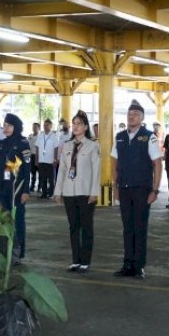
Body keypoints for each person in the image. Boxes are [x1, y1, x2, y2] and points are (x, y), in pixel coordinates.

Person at [112, 99, 163, 279]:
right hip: (124, 188)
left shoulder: (149, 137)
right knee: (127, 228)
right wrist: (114, 186)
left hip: (142, 189)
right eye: (129, 114)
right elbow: (114, 163)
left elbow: (157, 164)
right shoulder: (119, 137)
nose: (131, 116)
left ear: (142, 118)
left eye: (135, 114)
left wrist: (155, 190)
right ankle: (127, 264)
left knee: (140, 227)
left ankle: (139, 266)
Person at [54, 111, 100, 272]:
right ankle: (75, 260)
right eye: (73, 123)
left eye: (79, 123)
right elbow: (61, 170)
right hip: (69, 192)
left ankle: (85, 261)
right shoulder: (67, 146)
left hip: (85, 191)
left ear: (85, 127)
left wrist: (94, 192)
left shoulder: (93, 146)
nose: (75, 126)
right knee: (73, 227)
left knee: (86, 227)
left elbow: (96, 170)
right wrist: (58, 191)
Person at [0, 113, 31, 263]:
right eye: (4, 125)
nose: (6, 128)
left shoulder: (23, 143)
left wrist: (26, 190)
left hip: (17, 189)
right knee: (4, 220)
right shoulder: (2, 143)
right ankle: (5, 252)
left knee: (18, 221)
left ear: (16, 127)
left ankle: (17, 254)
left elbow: (27, 168)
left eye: (9, 125)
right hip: (3, 188)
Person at [35, 119, 58, 199]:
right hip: (41, 160)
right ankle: (44, 193)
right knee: (43, 178)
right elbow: (37, 147)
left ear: (51, 126)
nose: (45, 126)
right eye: (44, 125)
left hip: (50, 161)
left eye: (47, 125)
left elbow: (56, 148)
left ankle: (51, 194)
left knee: (51, 179)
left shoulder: (54, 136)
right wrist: (36, 159)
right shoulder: (40, 135)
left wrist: (55, 159)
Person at [28, 122, 40, 192]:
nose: (34, 128)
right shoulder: (30, 136)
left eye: (35, 127)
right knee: (32, 172)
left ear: (38, 128)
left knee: (40, 172)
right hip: (31, 155)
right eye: (33, 127)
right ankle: (32, 186)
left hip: (38, 156)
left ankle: (39, 187)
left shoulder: (40, 137)